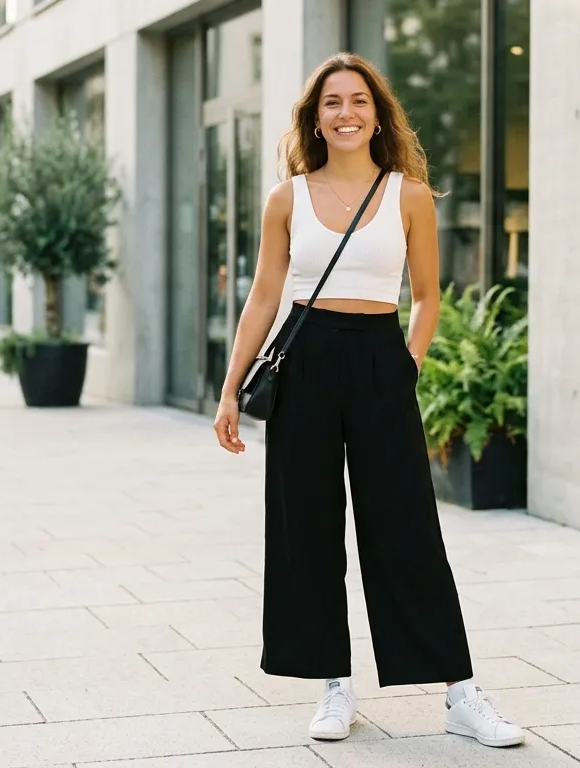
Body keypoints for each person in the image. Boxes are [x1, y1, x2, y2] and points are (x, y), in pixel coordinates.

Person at [211, 52, 524, 749]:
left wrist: (405, 366)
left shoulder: (407, 194)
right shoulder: (286, 197)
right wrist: (231, 388)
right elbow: (264, 295)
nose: (346, 113)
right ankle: (333, 684)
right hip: (304, 360)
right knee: (308, 529)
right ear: (314, 118)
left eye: (358, 101)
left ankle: (460, 691)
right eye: (332, 103)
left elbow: (428, 294)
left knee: (408, 526)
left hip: (381, 358)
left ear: (377, 114)